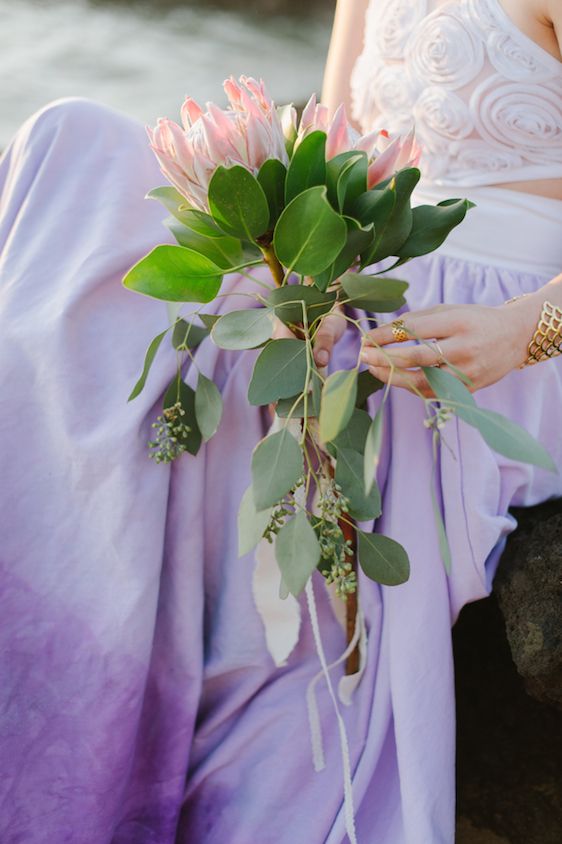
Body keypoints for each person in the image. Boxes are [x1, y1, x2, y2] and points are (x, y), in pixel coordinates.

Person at [0, 1, 560, 842]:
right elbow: (330, 158)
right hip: (370, 306)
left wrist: (525, 330)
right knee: (70, 149)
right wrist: (311, 289)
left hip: (501, 336)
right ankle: (61, 674)